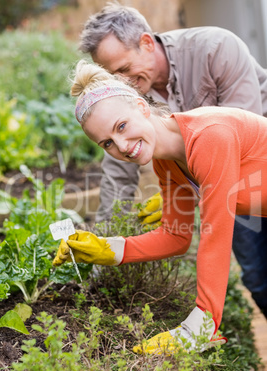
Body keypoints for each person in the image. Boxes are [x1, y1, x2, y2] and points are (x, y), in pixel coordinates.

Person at [54, 60, 267, 354]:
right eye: (108, 143)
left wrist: (200, 328)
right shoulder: (166, 162)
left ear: (142, 107)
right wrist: (109, 248)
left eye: (122, 126)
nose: (122, 146)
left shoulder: (210, 137)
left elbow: (215, 235)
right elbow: (176, 236)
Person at [79, 3, 267, 318]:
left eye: (124, 70)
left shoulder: (215, 48)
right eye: (113, 77)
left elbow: (232, 144)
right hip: (221, 183)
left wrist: (201, 325)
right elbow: (121, 178)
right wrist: (106, 246)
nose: (121, 83)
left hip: (247, 165)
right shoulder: (149, 141)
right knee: (258, 278)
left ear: (147, 43)